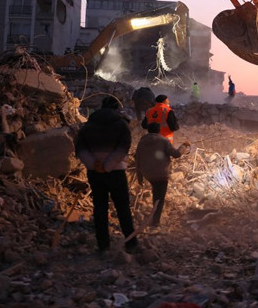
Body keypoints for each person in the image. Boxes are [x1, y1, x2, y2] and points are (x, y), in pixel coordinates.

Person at [74, 96, 137, 253]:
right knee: (123, 208)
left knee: (100, 208)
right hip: (116, 171)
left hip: (95, 173)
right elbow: (123, 148)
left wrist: (94, 165)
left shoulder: (88, 125)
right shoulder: (121, 125)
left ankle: (103, 246)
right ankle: (131, 243)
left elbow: (80, 148)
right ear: (116, 108)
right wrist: (107, 165)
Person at [134, 123, 190, 228]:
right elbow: (176, 154)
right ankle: (155, 223)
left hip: (148, 174)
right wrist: (184, 145)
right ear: (158, 130)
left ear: (148, 130)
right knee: (160, 198)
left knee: (156, 194)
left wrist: (139, 177)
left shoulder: (142, 142)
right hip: (161, 174)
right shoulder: (163, 140)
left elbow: (138, 159)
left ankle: (154, 219)